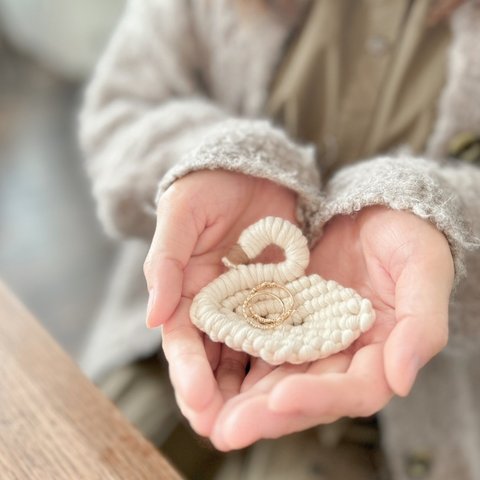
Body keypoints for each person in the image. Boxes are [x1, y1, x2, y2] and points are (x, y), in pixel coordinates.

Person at [79, 0, 480, 478]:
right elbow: (120, 110)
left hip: (408, 423)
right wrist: (218, 161)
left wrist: (437, 216)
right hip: (165, 354)